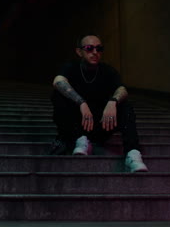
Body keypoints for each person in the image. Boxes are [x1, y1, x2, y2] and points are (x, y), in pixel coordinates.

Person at [49, 34, 148, 172]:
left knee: (125, 105)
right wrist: (81, 103)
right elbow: (58, 82)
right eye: (89, 48)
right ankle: (80, 139)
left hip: (101, 125)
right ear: (79, 52)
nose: (95, 52)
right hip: (77, 126)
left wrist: (113, 101)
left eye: (99, 48)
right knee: (60, 94)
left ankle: (132, 153)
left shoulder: (107, 70)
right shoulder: (71, 67)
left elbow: (122, 89)